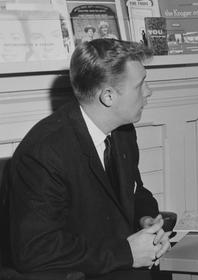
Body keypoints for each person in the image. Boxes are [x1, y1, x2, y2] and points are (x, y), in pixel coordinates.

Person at [9, 39, 171, 279]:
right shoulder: (44, 153)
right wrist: (125, 254)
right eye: (140, 85)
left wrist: (146, 220)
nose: (148, 92)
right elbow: (35, 250)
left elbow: (135, 192)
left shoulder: (123, 131)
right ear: (108, 96)